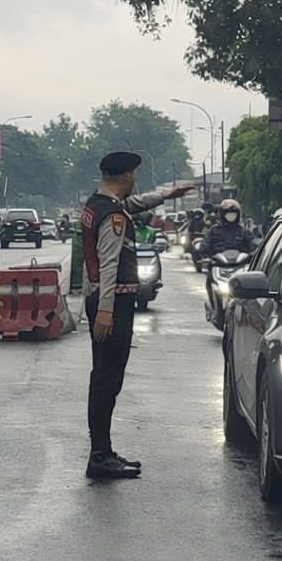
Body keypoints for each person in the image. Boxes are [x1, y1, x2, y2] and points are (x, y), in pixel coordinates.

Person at [81, 151, 195, 480]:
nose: (135, 181)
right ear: (127, 176)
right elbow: (109, 265)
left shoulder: (98, 205)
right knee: (107, 379)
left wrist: (168, 194)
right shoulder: (113, 217)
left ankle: (102, 451)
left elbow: (135, 204)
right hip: (113, 303)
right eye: (134, 176)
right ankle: (100, 456)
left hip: (102, 299)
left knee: (103, 377)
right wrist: (105, 311)